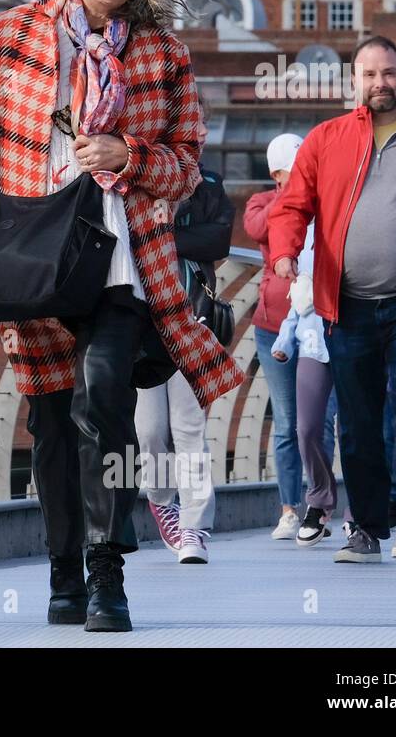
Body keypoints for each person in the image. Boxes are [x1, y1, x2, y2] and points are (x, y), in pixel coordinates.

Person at [0, 0, 244, 630]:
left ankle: (107, 577)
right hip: (35, 252)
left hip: (125, 257)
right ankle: (63, 575)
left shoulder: (165, 55)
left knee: (104, 405)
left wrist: (132, 156)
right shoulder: (11, 36)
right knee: (55, 423)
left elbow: (187, 168)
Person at [268, 36, 396, 564]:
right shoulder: (327, 139)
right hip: (348, 304)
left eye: (388, 73)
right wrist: (284, 253)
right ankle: (365, 529)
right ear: (353, 82)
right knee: (360, 421)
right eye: (369, 74)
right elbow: (290, 206)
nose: (379, 84)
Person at [136, 103, 234, 565]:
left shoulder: (210, 184)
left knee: (190, 428)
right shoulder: (135, 175)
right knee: (151, 430)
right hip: (141, 320)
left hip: (192, 319)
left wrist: (163, 236)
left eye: (198, 125)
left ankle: (195, 526)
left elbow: (220, 240)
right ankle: (161, 499)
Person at [243, 134, 306, 539]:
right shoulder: (261, 202)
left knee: (320, 422)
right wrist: (292, 195)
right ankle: (289, 508)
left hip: (319, 322)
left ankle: (320, 504)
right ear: (277, 173)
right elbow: (257, 228)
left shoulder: (318, 200)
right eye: (293, 168)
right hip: (273, 327)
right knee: (285, 422)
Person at [269, 226, 340, 547]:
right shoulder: (305, 229)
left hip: (356, 334)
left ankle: (362, 515)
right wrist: (284, 342)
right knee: (306, 428)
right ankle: (319, 500)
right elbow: (297, 304)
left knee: (358, 428)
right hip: (313, 340)